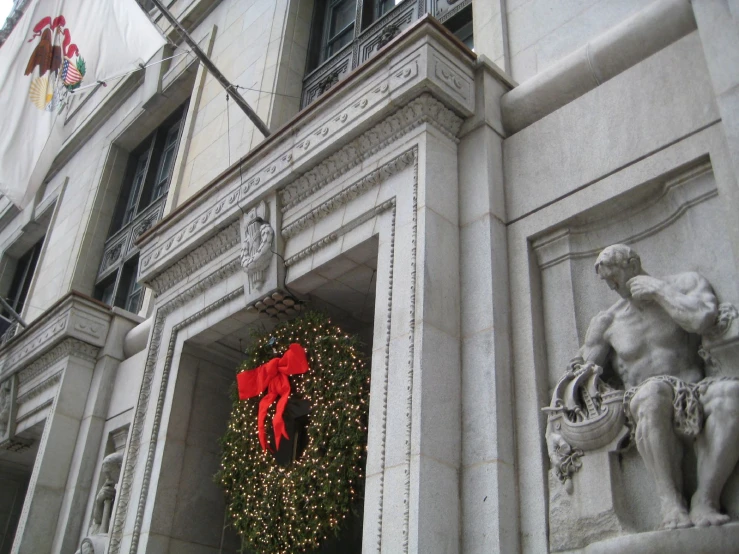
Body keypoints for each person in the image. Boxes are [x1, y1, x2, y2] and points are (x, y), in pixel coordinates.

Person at [578, 244, 739, 529]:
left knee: (731, 394)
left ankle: (706, 497)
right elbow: (582, 379)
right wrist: (592, 342)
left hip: (695, 387)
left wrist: (659, 291)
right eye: (608, 283)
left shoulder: (685, 283)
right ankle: (670, 502)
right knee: (652, 394)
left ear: (633, 263)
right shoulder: (611, 320)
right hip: (645, 399)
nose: (614, 287)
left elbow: (702, 319)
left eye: (616, 278)